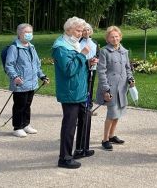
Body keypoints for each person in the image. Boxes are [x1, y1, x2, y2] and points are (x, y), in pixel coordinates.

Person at [52, 17, 97, 169]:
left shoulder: (73, 43)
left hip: (80, 90)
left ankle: (80, 149)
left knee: (86, 118)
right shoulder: (60, 47)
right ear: (68, 30)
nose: (80, 33)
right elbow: (68, 70)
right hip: (70, 92)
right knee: (69, 126)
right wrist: (83, 55)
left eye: (82, 30)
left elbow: (77, 66)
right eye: (78, 30)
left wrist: (88, 63)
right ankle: (64, 158)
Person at [4, 23, 49, 138]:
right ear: (19, 34)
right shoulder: (14, 48)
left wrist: (42, 76)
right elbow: (9, 65)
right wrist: (15, 77)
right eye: (26, 32)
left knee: (27, 105)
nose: (29, 34)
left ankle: (26, 124)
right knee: (19, 105)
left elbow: (37, 65)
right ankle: (17, 127)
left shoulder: (31, 47)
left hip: (32, 83)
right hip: (20, 83)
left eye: (30, 32)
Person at [96, 26, 135, 151]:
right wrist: (106, 89)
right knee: (112, 113)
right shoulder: (104, 51)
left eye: (117, 36)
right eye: (112, 37)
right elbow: (101, 71)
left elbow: (128, 68)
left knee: (119, 112)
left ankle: (112, 135)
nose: (115, 39)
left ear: (120, 37)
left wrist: (130, 79)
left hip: (122, 87)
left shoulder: (124, 51)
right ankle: (105, 139)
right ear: (107, 39)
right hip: (111, 87)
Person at [75, 23, 99, 158]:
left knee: (90, 87)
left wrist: (96, 60)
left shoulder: (94, 42)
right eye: (84, 30)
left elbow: (98, 53)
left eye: (88, 29)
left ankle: (88, 105)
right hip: (83, 69)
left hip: (93, 68)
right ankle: (84, 105)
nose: (86, 32)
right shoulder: (78, 42)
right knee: (84, 88)